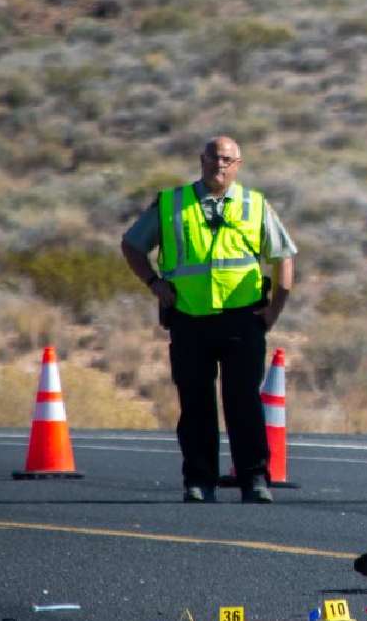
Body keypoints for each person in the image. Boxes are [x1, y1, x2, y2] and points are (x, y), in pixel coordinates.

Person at [121, 136, 296, 504]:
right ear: (202, 160)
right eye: (215, 158)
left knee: (243, 402)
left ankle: (254, 480)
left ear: (239, 164)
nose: (221, 165)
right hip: (189, 319)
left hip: (243, 320)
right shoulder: (172, 204)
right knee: (196, 402)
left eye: (228, 160)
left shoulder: (254, 204)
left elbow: (283, 254)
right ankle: (199, 480)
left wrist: (275, 308)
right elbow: (133, 244)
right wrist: (154, 283)